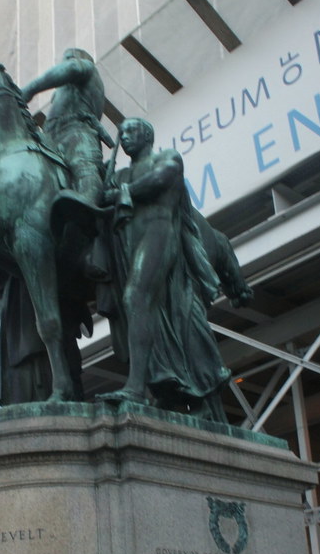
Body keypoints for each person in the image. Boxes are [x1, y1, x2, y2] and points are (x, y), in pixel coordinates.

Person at [98, 118, 231, 422]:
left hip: (159, 234)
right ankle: (167, 387)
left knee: (135, 298)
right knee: (145, 311)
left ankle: (135, 388)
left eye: (131, 131)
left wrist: (121, 193)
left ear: (147, 135)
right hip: (129, 246)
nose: (125, 137)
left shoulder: (167, 158)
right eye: (122, 133)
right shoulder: (119, 174)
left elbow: (160, 180)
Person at [21, 47, 114, 207]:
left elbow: (72, 68)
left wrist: (29, 90)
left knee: (84, 167)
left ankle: (87, 204)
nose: (64, 63)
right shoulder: (62, 89)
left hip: (77, 130)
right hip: (50, 136)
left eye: (70, 57)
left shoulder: (88, 69)